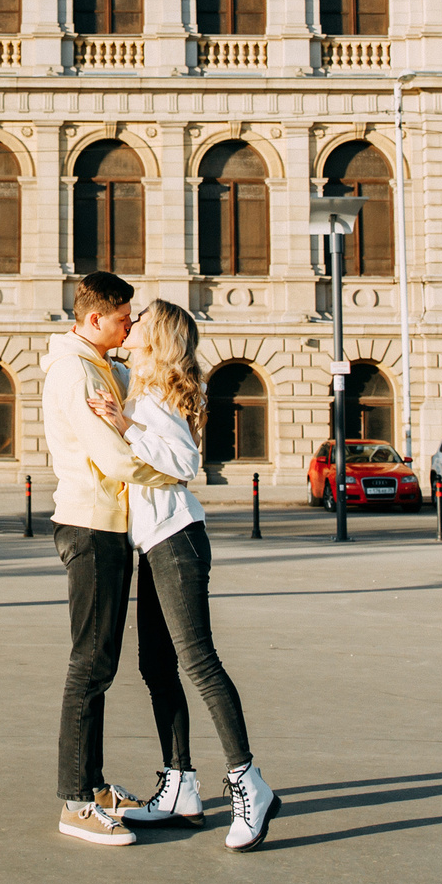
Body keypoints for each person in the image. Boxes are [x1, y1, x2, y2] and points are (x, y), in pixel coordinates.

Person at [87, 298, 278, 851]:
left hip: (177, 540)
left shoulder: (157, 395)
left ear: (157, 336)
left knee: (198, 661)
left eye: (140, 319)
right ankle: (180, 785)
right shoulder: (141, 385)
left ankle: (248, 781)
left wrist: (126, 425)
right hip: (155, 543)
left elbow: (186, 461)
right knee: (155, 664)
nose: (131, 321)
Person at [42, 271, 177, 846]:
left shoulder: (100, 365)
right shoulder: (75, 372)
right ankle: (75, 801)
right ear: (94, 319)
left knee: (100, 663)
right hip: (91, 525)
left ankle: (93, 786)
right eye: (123, 319)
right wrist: (176, 473)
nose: (129, 328)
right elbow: (116, 460)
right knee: (90, 666)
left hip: (107, 525)